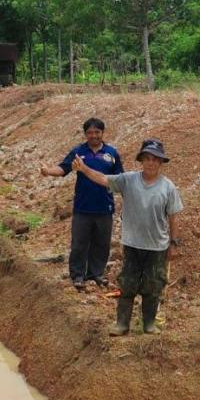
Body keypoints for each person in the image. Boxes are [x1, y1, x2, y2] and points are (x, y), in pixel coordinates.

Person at [73, 138, 182, 335]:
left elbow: (173, 218)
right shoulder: (129, 180)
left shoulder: (168, 187)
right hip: (132, 244)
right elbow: (104, 179)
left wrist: (174, 244)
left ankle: (149, 324)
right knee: (128, 284)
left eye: (155, 159)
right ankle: (122, 324)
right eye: (147, 158)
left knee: (153, 285)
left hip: (157, 246)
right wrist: (84, 169)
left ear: (161, 162)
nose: (151, 163)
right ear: (141, 160)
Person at [40, 117, 124, 291]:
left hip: (104, 207)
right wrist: (48, 171)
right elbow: (63, 169)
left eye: (97, 132)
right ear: (85, 134)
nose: (93, 135)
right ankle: (78, 275)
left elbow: (120, 179)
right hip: (82, 207)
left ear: (102, 133)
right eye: (90, 133)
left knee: (102, 243)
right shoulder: (78, 152)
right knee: (79, 243)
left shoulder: (112, 154)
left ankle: (97, 274)